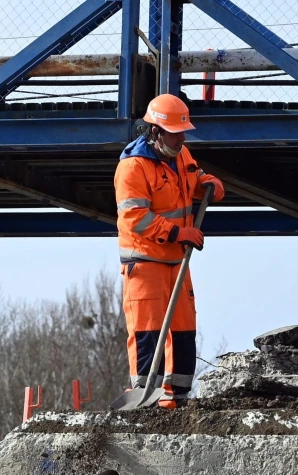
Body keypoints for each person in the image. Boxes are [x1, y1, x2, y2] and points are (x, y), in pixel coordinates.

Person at [114, 93, 225, 409]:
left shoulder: (181, 154)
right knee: (148, 331)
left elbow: (193, 176)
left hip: (176, 259)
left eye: (182, 134)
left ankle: (176, 398)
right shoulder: (133, 168)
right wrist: (179, 232)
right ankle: (145, 401)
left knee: (184, 330)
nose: (179, 140)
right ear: (155, 131)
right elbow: (135, 218)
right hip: (145, 262)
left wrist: (208, 182)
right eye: (174, 134)